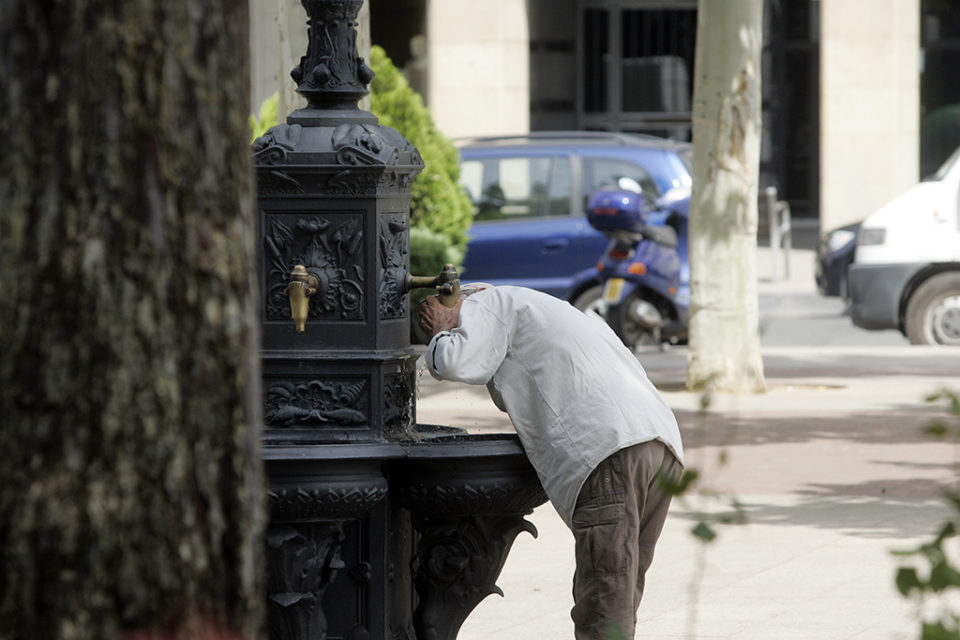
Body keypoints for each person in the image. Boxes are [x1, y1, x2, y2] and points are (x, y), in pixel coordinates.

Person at [417, 285, 684, 640]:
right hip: (659, 443)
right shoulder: (548, 308)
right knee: (622, 589)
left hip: (609, 450)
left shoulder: (486, 303)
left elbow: (456, 361)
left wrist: (439, 329)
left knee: (604, 599)